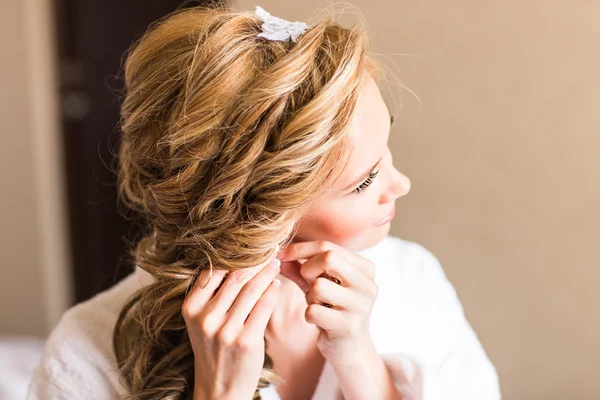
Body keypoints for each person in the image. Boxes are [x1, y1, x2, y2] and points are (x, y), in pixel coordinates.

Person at [27, 4, 500, 400]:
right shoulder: (85, 353)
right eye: (364, 181)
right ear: (259, 218)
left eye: (387, 153)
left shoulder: (415, 281)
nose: (402, 184)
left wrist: (361, 364)